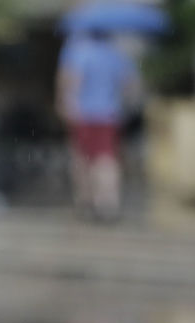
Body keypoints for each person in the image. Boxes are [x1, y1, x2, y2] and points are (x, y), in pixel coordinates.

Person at [56, 29, 141, 221]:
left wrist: (64, 104)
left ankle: (85, 201)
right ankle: (108, 203)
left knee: (82, 158)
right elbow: (130, 85)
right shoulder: (117, 54)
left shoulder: (77, 51)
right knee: (107, 159)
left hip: (83, 115)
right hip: (109, 115)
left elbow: (71, 81)